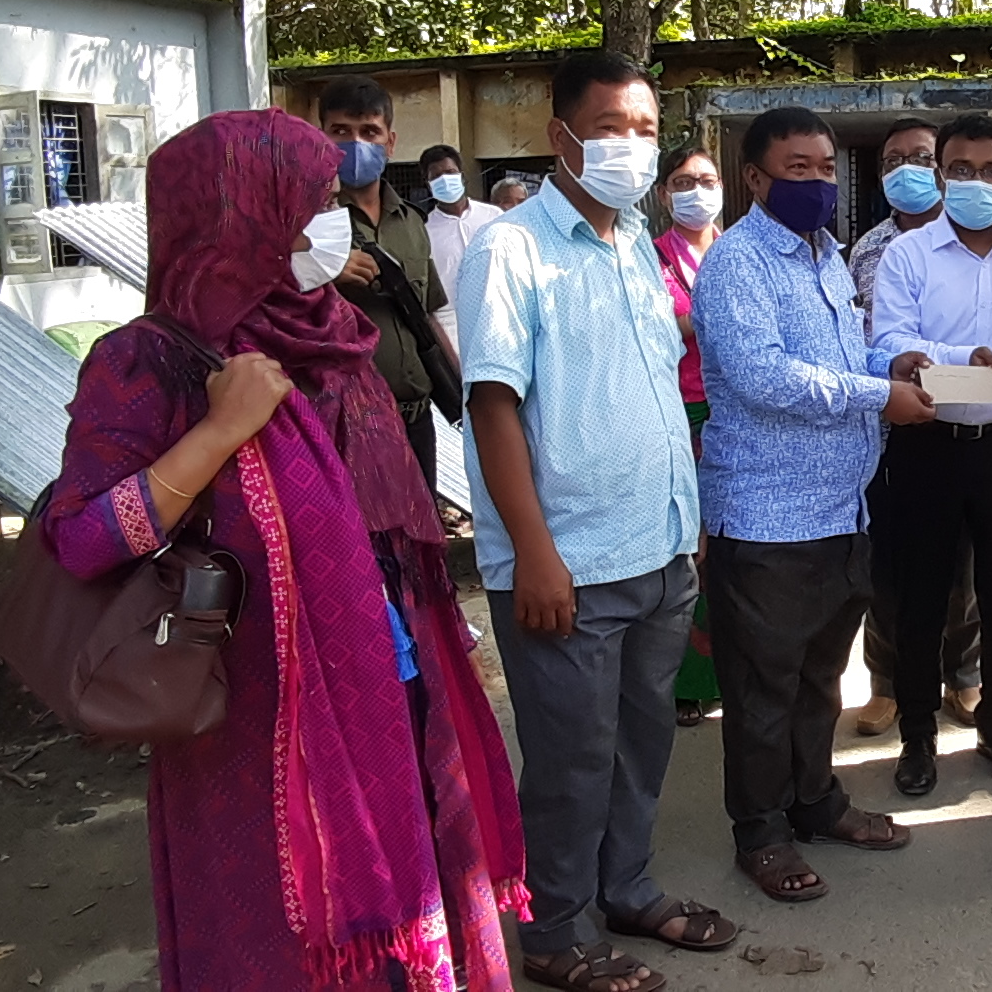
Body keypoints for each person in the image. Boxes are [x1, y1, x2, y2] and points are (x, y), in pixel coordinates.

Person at [38, 109, 525, 990]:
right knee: (287, 926)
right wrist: (219, 432)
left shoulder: (338, 335)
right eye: (310, 206)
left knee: (408, 892)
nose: (329, 225)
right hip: (257, 714)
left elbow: (388, 522)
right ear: (239, 218)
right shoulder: (149, 362)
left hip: (390, 670)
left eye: (333, 202)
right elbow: (80, 540)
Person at [460, 51, 735, 992]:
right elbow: (494, 407)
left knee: (641, 745)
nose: (632, 145)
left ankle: (626, 889)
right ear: (561, 138)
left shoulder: (634, 247)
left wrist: (687, 523)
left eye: (645, 129)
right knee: (571, 761)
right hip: (567, 564)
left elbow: (655, 390)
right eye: (610, 127)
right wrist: (533, 554)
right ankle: (555, 933)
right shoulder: (511, 249)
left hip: (657, 548)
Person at [691, 105, 930, 903]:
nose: (819, 182)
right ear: (755, 178)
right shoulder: (737, 263)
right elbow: (764, 376)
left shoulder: (828, 256)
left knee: (819, 679)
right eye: (799, 169)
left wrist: (892, 366)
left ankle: (815, 801)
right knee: (763, 689)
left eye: (827, 168)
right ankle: (761, 833)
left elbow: (840, 356)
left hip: (840, 509)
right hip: (767, 517)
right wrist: (878, 395)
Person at [869, 112, 992, 796]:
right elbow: (889, 340)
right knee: (920, 597)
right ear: (941, 175)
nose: (977, 181)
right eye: (961, 169)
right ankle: (917, 736)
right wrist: (953, 357)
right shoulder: (908, 255)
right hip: (927, 444)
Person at [848, 117, 984, 739]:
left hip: (967, 423)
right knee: (887, 565)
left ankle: (963, 676)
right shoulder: (867, 250)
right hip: (887, 431)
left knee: (963, 567)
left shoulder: (983, 237)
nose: (907, 170)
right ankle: (886, 683)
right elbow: (861, 338)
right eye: (893, 160)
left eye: (921, 157)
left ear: (944, 168)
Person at [319, 75, 453, 492]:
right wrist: (321, 271)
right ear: (321, 139)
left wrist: (458, 384)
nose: (356, 144)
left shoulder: (412, 221)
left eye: (369, 132)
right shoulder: (308, 222)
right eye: (341, 131)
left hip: (416, 419)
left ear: (390, 142)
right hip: (346, 423)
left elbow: (427, 314)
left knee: (424, 527)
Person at [655, 146, 725, 729]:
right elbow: (664, 327)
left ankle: (734, 671)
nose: (696, 191)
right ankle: (687, 683)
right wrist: (718, 314)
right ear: (663, 194)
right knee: (688, 547)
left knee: (734, 547)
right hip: (683, 410)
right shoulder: (651, 258)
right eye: (682, 182)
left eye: (705, 179)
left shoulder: (738, 251)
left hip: (739, 411)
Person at [420, 143, 501, 353]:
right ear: (428, 184)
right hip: (452, 326)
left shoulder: (494, 217)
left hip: (500, 316)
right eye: (436, 176)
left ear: (462, 176)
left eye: (450, 172)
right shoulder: (424, 231)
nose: (445, 180)